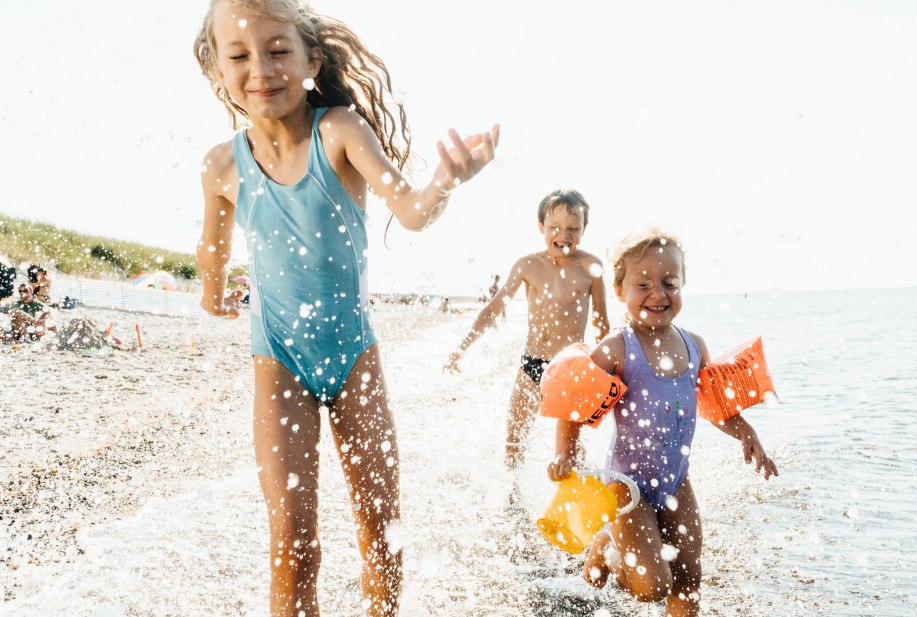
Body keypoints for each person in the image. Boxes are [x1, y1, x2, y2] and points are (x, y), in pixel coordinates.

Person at [192, 1, 498, 615]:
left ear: (312, 61)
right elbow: (212, 249)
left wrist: (445, 181)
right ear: (219, 70)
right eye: (240, 55)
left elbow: (412, 210)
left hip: (354, 357)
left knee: (380, 523)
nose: (262, 69)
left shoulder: (338, 132)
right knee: (293, 542)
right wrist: (212, 291)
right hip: (278, 363)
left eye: (279, 50)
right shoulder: (222, 166)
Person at [547, 231, 779, 616]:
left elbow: (713, 403)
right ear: (619, 290)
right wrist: (565, 451)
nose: (658, 294)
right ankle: (606, 548)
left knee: (688, 578)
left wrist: (746, 434)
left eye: (670, 283)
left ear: (683, 284)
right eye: (643, 285)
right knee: (652, 587)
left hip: (675, 479)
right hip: (626, 486)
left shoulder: (693, 346)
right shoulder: (617, 348)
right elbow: (574, 401)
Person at [444, 189, 610, 467]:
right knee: (514, 440)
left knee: (570, 449)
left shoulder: (590, 267)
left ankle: (590, 483)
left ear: (584, 229)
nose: (564, 234)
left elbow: (601, 321)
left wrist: (613, 369)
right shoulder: (528, 265)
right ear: (541, 226)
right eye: (555, 227)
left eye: (573, 228)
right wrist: (462, 348)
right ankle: (513, 493)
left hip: (571, 369)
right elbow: (493, 309)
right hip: (532, 363)